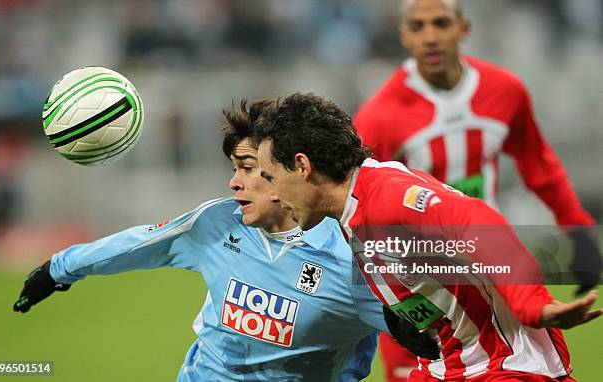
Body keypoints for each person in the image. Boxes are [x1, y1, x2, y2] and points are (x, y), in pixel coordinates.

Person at [13, 100, 390, 381]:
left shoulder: (352, 253)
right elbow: (138, 243)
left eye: (247, 168)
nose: (234, 182)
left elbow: (435, 323)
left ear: (287, 169)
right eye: (233, 169)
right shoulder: (216, 223)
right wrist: (58, 269)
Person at [253, 92, 602, 381]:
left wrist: (532, 303)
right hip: (447, 368)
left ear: (302, 166)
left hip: (505, 367)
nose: (271, 193)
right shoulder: (355, 207)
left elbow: (476, 222)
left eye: (271, 177)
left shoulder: (387, 198)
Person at [353, 1, 602, 379]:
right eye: (418, 27)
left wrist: (577, 228)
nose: (431, 37)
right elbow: (354, 208)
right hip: (421, 285)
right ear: (404, 37)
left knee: (524, 368)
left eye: (441, 23)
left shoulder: (504, 91)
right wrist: (382, 307)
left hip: (491, 270)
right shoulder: (379, 116)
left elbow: (538, 163)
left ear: (463, 29)